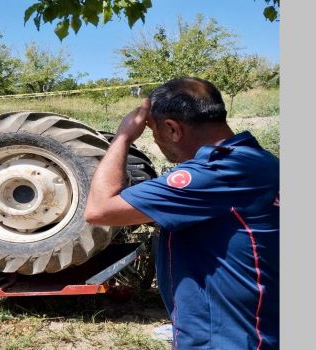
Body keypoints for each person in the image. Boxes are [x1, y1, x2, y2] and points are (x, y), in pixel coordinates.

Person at [85, 77, 279, 349]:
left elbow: (99, 210)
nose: (154, 138)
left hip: (226, 340)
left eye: (152, 130)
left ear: (173, 128)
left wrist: (123, 137)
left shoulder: (214, 174)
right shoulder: (260, 162)